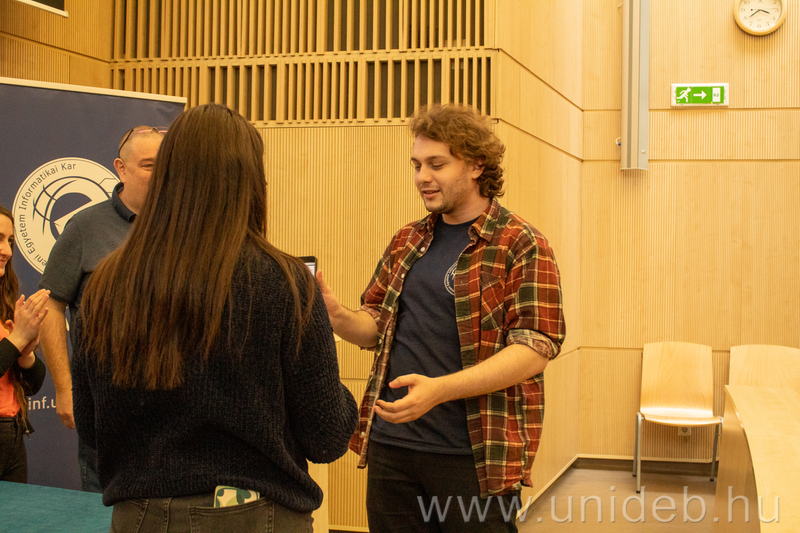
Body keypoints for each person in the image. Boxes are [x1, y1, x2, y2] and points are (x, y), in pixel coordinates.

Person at [71, 103, 358, 532]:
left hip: (138, 517)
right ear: (250, 180)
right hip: (253, 517)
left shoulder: (105, 284)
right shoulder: (283, 282)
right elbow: (328, 436)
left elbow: (92, 429)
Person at [316, 104, 567, 532]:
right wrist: (337, 316)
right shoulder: (408, 239)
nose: (422, 177)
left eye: (437, 164)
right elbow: (375, 327)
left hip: (473, 455)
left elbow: (534, 349)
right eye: (417, 165)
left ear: (476, 165)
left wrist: (439, 391)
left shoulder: (521, 243)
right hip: (392, 446)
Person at [38, 125, 164, 492]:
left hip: (173, 409)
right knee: (102, 510)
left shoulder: (181, 228)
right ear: (120, 169)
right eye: (149, 165)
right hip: (105, 408)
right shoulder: (84, 227)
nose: (160, 174)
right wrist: (65, 388)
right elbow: (50, 306)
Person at [0, 205, 49, 483]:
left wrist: (25, 355)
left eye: (10, 241)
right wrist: (16, 340)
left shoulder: (6, 302)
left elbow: (31, 387)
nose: (6, 250)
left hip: (13, 434)